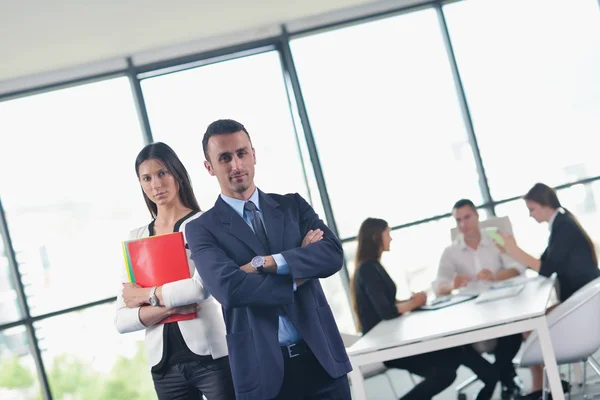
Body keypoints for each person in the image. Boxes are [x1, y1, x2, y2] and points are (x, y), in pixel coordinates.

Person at [185, 119, 352, 400]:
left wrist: (265, 263)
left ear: (253, 154)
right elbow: (229, 289)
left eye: (241, 153)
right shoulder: (201, 229)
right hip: (264, 378)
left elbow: (333, 255)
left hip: (322, 362)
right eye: (224, 158)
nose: (236, 165)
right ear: (209, 167)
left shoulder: (292, 206)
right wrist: (299, 270)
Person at [114, 142, 235, 400]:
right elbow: (122, 319)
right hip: (164, 368)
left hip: (211, 359)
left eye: (162, 173)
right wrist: (171, 308)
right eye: (146, 178)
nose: (156, 184)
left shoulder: (203, 224)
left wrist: (146, 295)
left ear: (177, 174)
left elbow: (200, 288)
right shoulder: (136, 238)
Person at [351, 217, 498, 400]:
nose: (391, 238)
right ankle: (493, 377)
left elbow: (387, 303)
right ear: (375, 237)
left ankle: (493, 378)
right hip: (390, 348)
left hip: (394, 340)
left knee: (455, 352)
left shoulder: (373, 266)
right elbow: (386, 312)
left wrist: (411, 300)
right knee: (446, 370)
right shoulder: (368, 269)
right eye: (388, 233)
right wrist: (415, 303)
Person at [498, 182, 600, 399]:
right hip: (581, 301)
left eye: (532, 209)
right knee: (529, 326)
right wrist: (512, 251)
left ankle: (543, 387)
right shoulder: (560, 224)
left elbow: (546, 269)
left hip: (582, 306)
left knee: (529, 326)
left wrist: (514, 251)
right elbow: (544, 262)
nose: (530, 215)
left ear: (545, 205)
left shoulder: (563, 226)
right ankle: (544, 386)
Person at [434, 199, 525, 399]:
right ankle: (505, 378)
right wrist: (452, 284)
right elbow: (437, 286)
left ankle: (494, 381)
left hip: (501, 308)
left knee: (513, 333)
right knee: (458, 345)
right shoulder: (450, 252)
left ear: (477, 216)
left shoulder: (495, 240)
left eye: (467, 217)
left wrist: (495, 276)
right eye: (458, 220)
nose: (463, 224)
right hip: (471, 316)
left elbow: (518, 268)